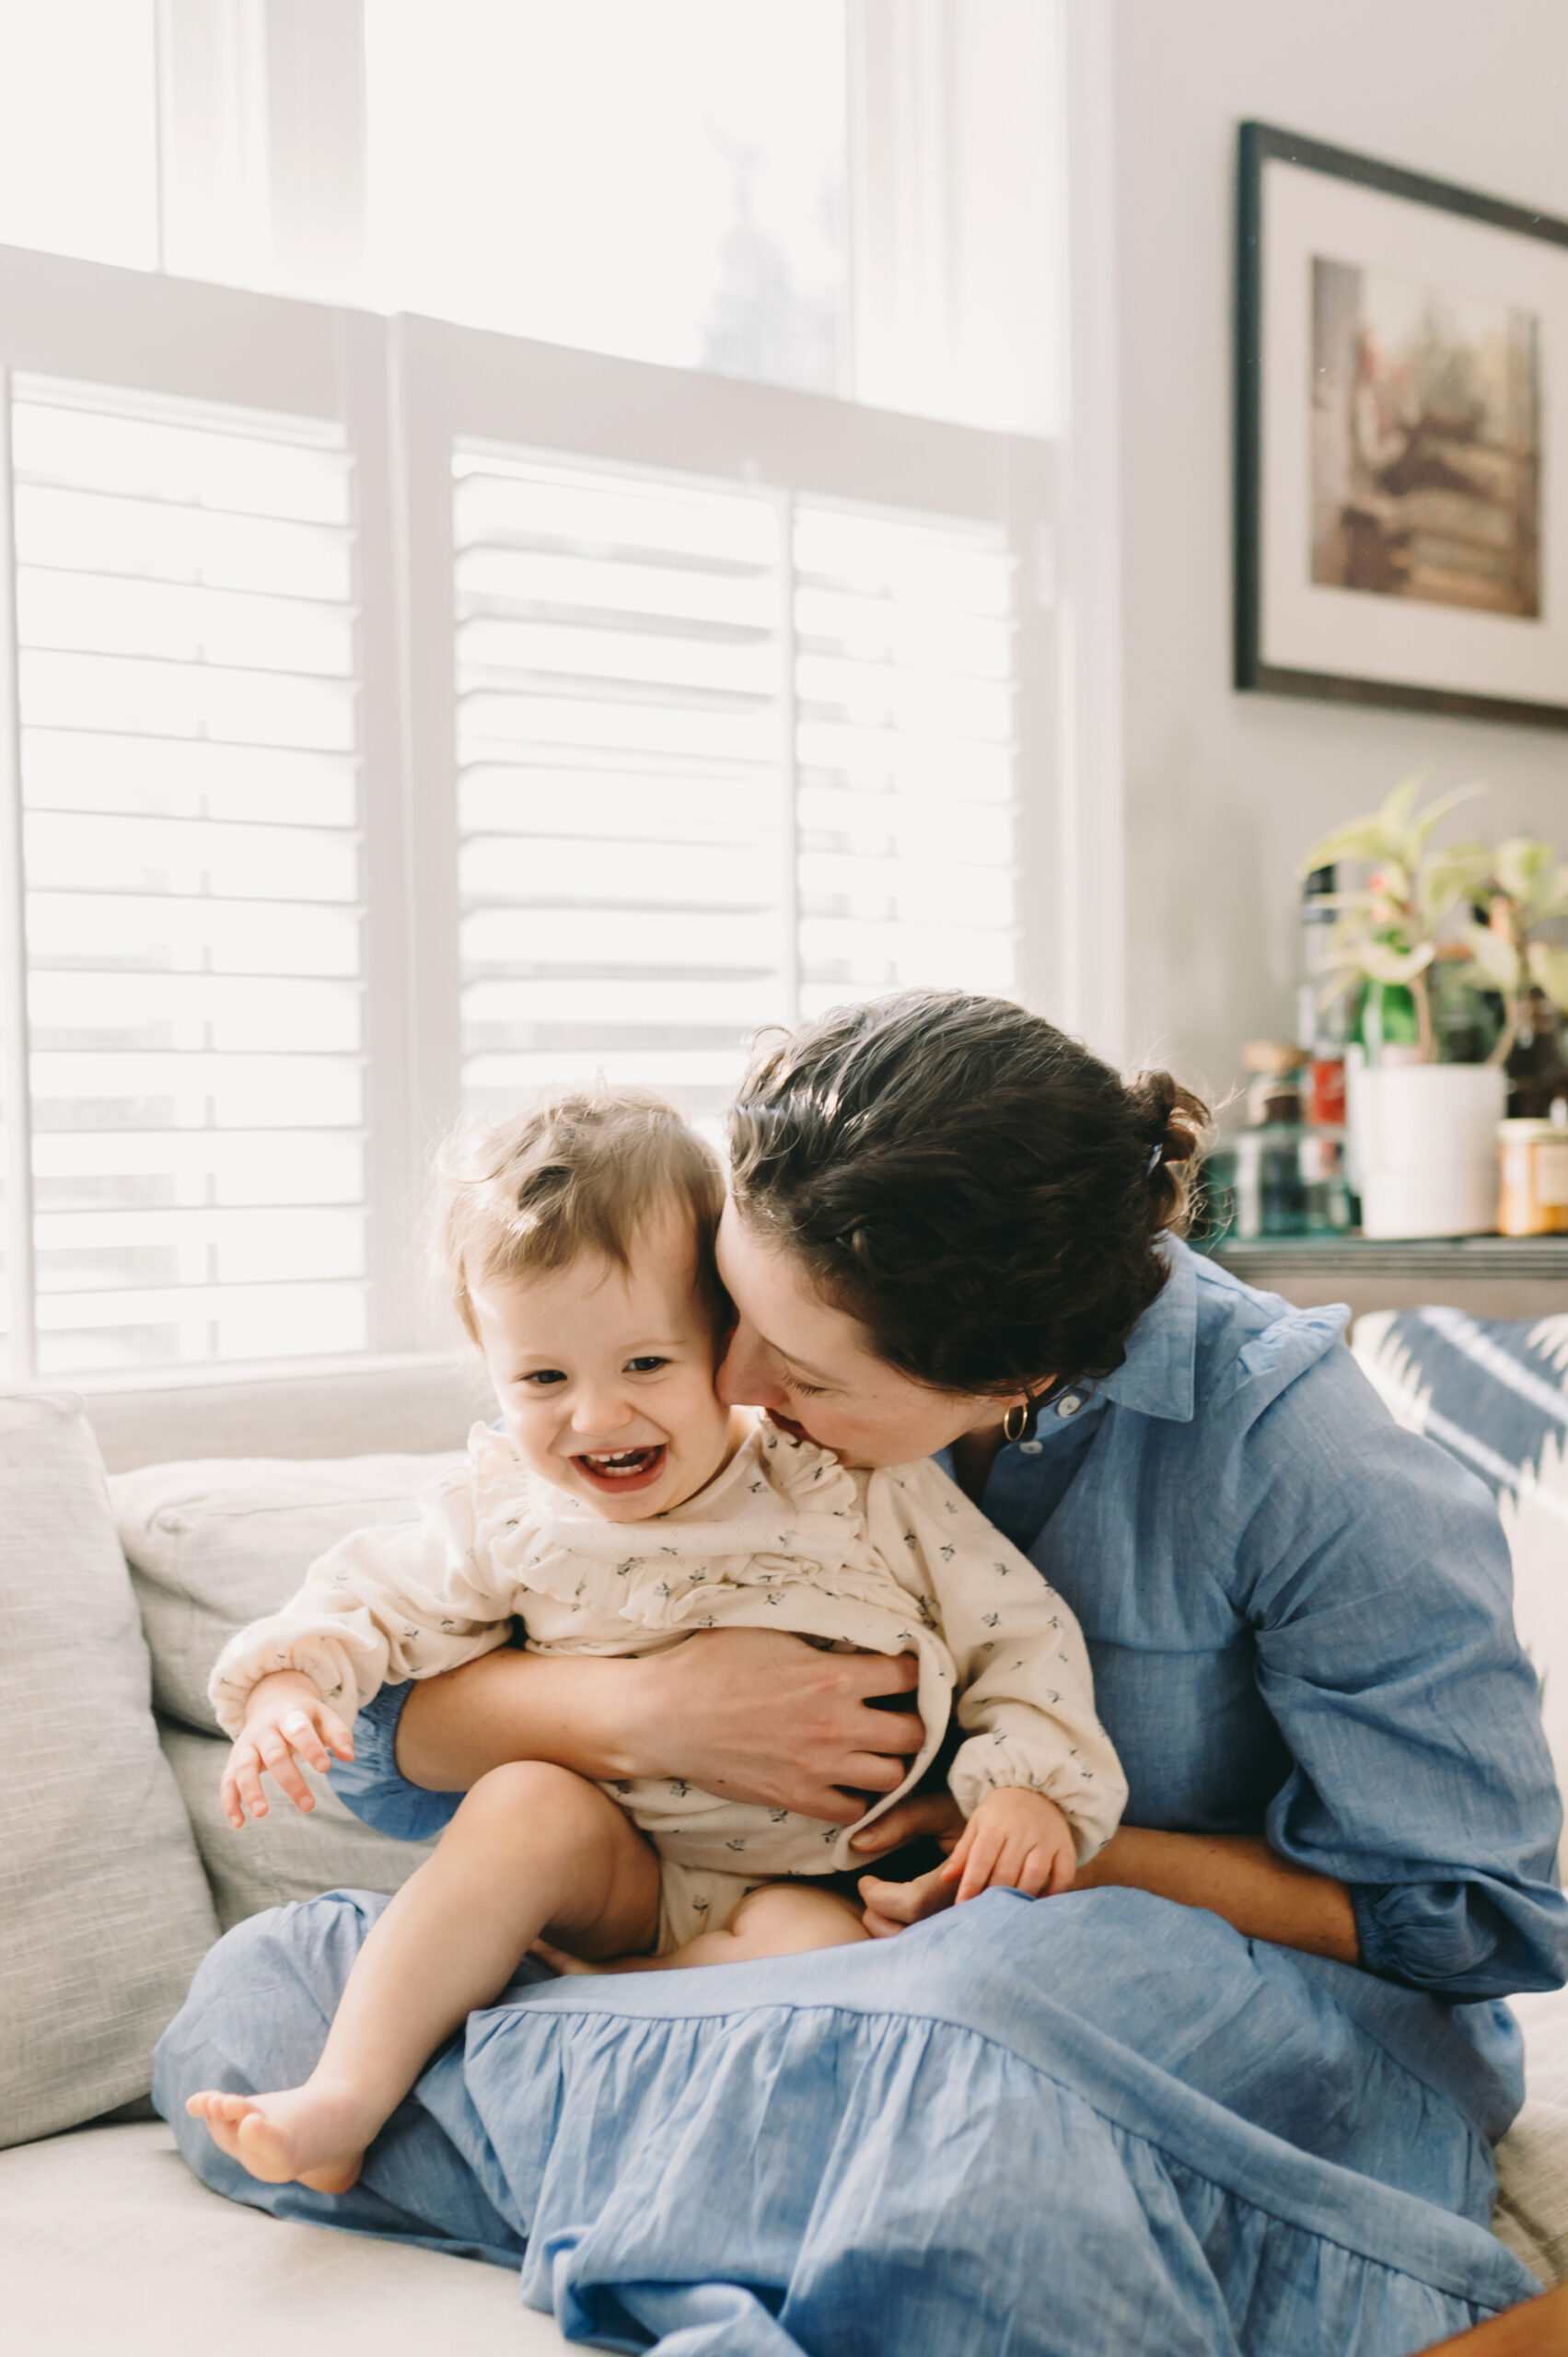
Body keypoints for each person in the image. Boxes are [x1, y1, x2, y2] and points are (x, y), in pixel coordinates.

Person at [156, 993, 1568, 2351]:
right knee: (266, 2000)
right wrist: (646, 1713)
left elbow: (1471, 1920)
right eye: (729, 1312)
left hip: (1146, 1994)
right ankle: (837, 2158)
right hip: (791, 1946)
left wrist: (1037, 1848)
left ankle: (797, 2140)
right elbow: (382, 1740)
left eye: (801, 1370)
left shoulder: (1299, 1459)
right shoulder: (795, 1298)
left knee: (966, 2029)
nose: (731, 1385)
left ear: (1009, 1381)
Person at [183, 1088, 1123, 2195]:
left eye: (644, 1365)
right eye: (542, 1377)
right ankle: (346, 2096)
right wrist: (290, 1684)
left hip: (809, 1889)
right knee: (524, 1801)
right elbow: (367, 1600)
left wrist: (1025, 1788)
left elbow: (1016, 1631)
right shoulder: (508, 1513)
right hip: (617, 1870)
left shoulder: (845, 1480)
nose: (595, 1417)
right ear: (489, 1364)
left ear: (728, 1340)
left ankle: (598, 2013)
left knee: (827, 1962)